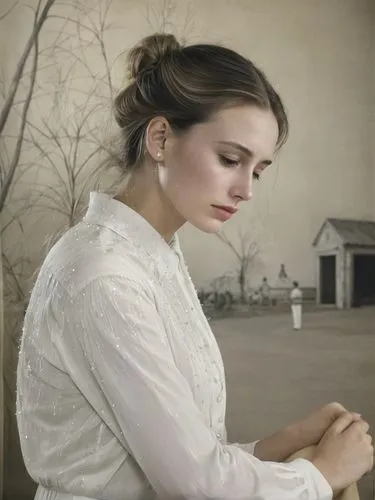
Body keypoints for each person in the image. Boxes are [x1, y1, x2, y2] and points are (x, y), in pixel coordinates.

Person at [16, 33, 372, 500]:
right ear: (160, 138)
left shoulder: (154, 255)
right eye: (230, 159)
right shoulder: (104, 275)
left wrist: (289, 441)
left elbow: (186, 458)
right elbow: (193, 484)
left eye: (258, 170)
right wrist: (319, 475)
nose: (246, 189)